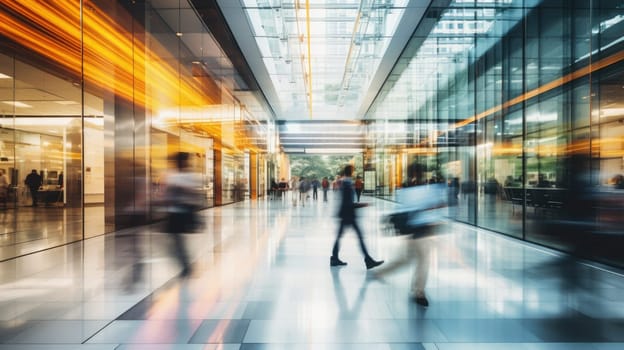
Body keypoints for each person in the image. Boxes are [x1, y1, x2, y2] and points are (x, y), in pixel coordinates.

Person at [330, 164, 384, 270]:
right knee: (359, 238)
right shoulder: (346, 184)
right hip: (348, 215)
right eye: (353, 170)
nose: (354, 172)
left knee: (341, 237)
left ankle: (334, 258)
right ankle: (368, 260)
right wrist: (364, 204)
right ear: (351, 172)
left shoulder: (345, 182)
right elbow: (348, 203)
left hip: (346, 215)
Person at [163, 152, 203, 277]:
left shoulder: (177, 176)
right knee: (177, 242)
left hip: (179, 214)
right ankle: (186, 264)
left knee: (176, 242)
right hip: (178, 213)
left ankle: (186, 266)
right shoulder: (184, 176)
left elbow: (194, 195)